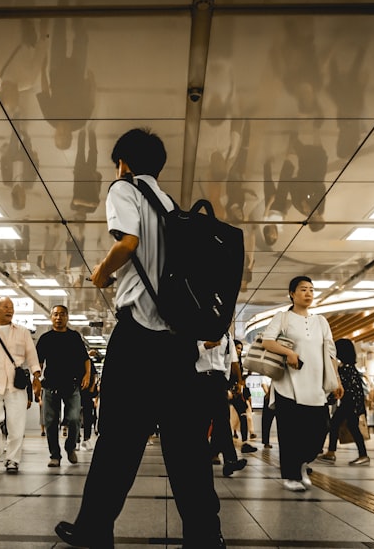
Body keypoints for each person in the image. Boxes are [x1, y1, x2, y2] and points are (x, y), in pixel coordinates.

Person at [55, 127, 225, 548]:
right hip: (178, 339)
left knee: (118, 439)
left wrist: (100, 272)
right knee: (186, 446)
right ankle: (206, 537)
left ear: (123, 162)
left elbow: (128, 242)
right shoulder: (171, 207)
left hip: (138, 339)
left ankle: (95, 529)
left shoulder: (123, 189)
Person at [261, 276, 343, 492]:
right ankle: (291, 476)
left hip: (316, 387)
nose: (308, 293)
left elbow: (330, 352)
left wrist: (336, 379)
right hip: (288, 385)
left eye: (311, 290)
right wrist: (288, 352)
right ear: (292, 294)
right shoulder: (283, 318)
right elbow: (267, 341)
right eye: (303, 289)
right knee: (290, 434)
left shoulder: (321, 321)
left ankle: (302, 463)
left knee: (319, 431)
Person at [0, 296, 41, 475]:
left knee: (16, 424)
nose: (9, 310)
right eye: (5, 306)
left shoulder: (23, 332)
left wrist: (36, 376)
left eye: (11, 307)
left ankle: (12, 459)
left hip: (16, 384)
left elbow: (32, 355)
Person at [36, 304, 90, 468]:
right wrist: (36, 379)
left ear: (67, 317)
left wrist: (87, 375)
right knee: (51, 422)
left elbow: (85, 359)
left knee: (74, 419)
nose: (58, 317)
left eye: (62, 314)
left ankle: (70, 447)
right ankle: (55, 455)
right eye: (55, 314)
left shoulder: (74, 337)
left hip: (72, 385)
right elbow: (38, 362)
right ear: (51, 317)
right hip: (50, 386)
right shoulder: (45, 339)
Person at [197, 331, 247, 477]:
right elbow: (186, 354)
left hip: (218, 380)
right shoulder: (194, 328)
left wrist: (233, 381)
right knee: (202, 422)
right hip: (199, 379)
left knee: (222, 420)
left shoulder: (226, 335)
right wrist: (205, 346)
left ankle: (230, 460)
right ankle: (201, 459)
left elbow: (231, 360)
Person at [319, 338, 370, 466]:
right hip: (351, 405)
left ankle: (361, 455)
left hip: (349, 405)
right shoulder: (351, 368)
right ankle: (332, 452)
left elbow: (340, 388)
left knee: (341, 426)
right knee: (337, 425)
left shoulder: (345, 369)